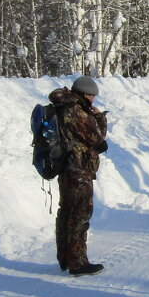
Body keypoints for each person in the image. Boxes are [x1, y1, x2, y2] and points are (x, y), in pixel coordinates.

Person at [48, 75, 109, 276]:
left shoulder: (62, 106)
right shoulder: (76, 110)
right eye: (91, 96)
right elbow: (97, 139)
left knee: (66, 212)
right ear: (84, 94)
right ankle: (77, 263)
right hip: (78, 170)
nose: (93, 100)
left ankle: (65, 258)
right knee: (79, 215)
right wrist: (99, 118)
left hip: (65, 169)